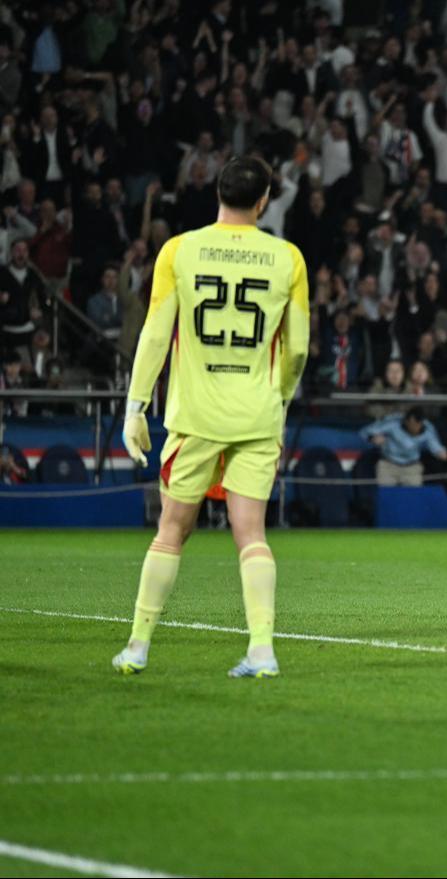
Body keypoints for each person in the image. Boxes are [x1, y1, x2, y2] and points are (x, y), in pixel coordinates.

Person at [115, 156, 309, 679]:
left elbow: (155, 332)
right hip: (256, 416)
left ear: (216, 193)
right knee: (252, 533)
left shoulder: (179, 250)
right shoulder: (286, 258)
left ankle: (137, 646)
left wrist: (135, 407)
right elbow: (297, 351)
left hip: (195, 417)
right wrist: (281, 398)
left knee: (171, 531)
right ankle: (263, 650)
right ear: (264, 200)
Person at [360, 406, 447, 486]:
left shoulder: (428, 428)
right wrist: (372, 438)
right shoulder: (393, 422)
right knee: (387, 496)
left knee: (413, 497)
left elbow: (436, 447)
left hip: (412, 468)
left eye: (418, 425)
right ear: (406, 421)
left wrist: (442, 454)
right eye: (413, 424)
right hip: (388, 465)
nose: (416, 428)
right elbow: (365, 432)